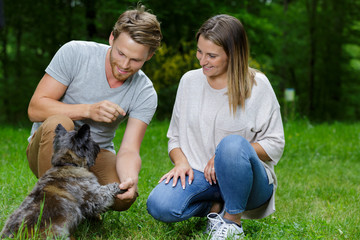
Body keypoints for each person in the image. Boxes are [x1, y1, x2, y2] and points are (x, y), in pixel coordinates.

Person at [146, 14, 285, 239]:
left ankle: (232, 223)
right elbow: (175, 138)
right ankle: (215, 208)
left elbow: (275, 144)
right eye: (199, 52)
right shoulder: (189, 82)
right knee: (159, 205)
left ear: (233, 54)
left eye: (211, 55)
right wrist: (181, 162)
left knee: (230, 145)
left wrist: (224, 155)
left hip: (250, 184)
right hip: (201, 177)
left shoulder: (258, 85)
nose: (202, 61)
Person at [26, 5, 162, 212]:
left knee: (123, 197)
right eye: (120, 53)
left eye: (136, 60)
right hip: (48, 150)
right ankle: (53, 213)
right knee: (59, 123)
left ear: (149, 56)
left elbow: (129, 149)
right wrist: (88, 110)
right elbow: (35, 108)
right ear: (111, 39)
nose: (125, 65)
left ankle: (79, 203)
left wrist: (130, 177)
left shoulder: (145, 92)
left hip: (96, 153)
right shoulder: (75, 52)